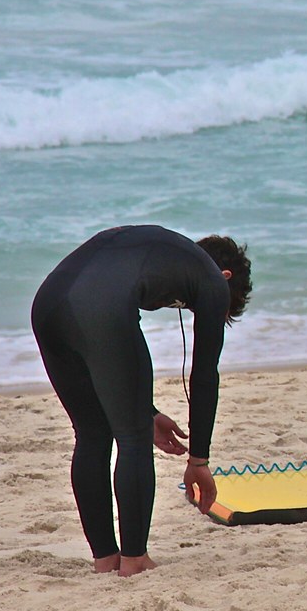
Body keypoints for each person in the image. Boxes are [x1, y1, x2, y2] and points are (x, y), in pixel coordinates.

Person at [31, 225, 252, 575]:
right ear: (225, 277)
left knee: (92, 434)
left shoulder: (166, 253)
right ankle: (134, 560)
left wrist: (146, 411)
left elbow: (106, 347)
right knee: (132, 439)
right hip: (97, 309)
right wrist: (199, 459)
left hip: (47, 306)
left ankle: (105, 559)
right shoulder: (211, 278)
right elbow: (205, 375)